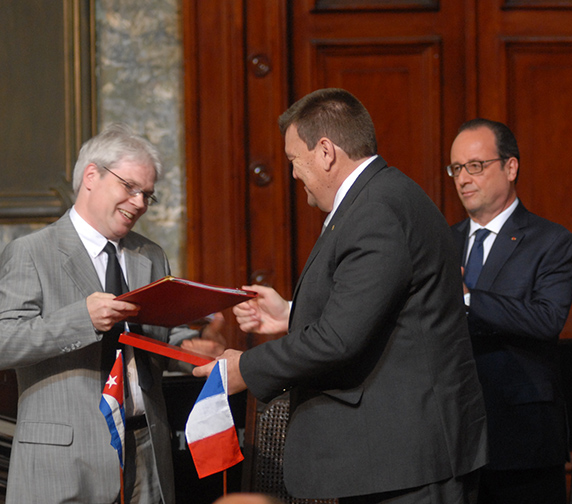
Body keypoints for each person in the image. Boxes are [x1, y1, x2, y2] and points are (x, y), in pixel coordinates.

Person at [194, 88, 488, 504]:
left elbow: (339, 338)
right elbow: (378, 310)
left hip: (408, 462)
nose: (293, 174)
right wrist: (290, 315)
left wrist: (246, 368)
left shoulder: (376, 209)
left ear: (326, 151)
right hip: (390, 459)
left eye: (294, 159)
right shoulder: (373, 199)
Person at [0, 123, 224, 503]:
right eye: (130, 187)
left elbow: (153, 335)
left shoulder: (150, 254)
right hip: (63, 459)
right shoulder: (32, 252)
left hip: (145, 448)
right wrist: (80, 319)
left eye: (147, 195)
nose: (139, 202)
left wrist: (193, 351)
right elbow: (5, 342)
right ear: (92, 175)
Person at [448, 118, 572, 504]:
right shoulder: (441, 242)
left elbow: (546, 318)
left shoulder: (551, 241)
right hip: (453, 439)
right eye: (456, 168)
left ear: (510, 166)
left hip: (523, 440)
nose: (463, 179)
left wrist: (468, 299)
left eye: (475, 166)